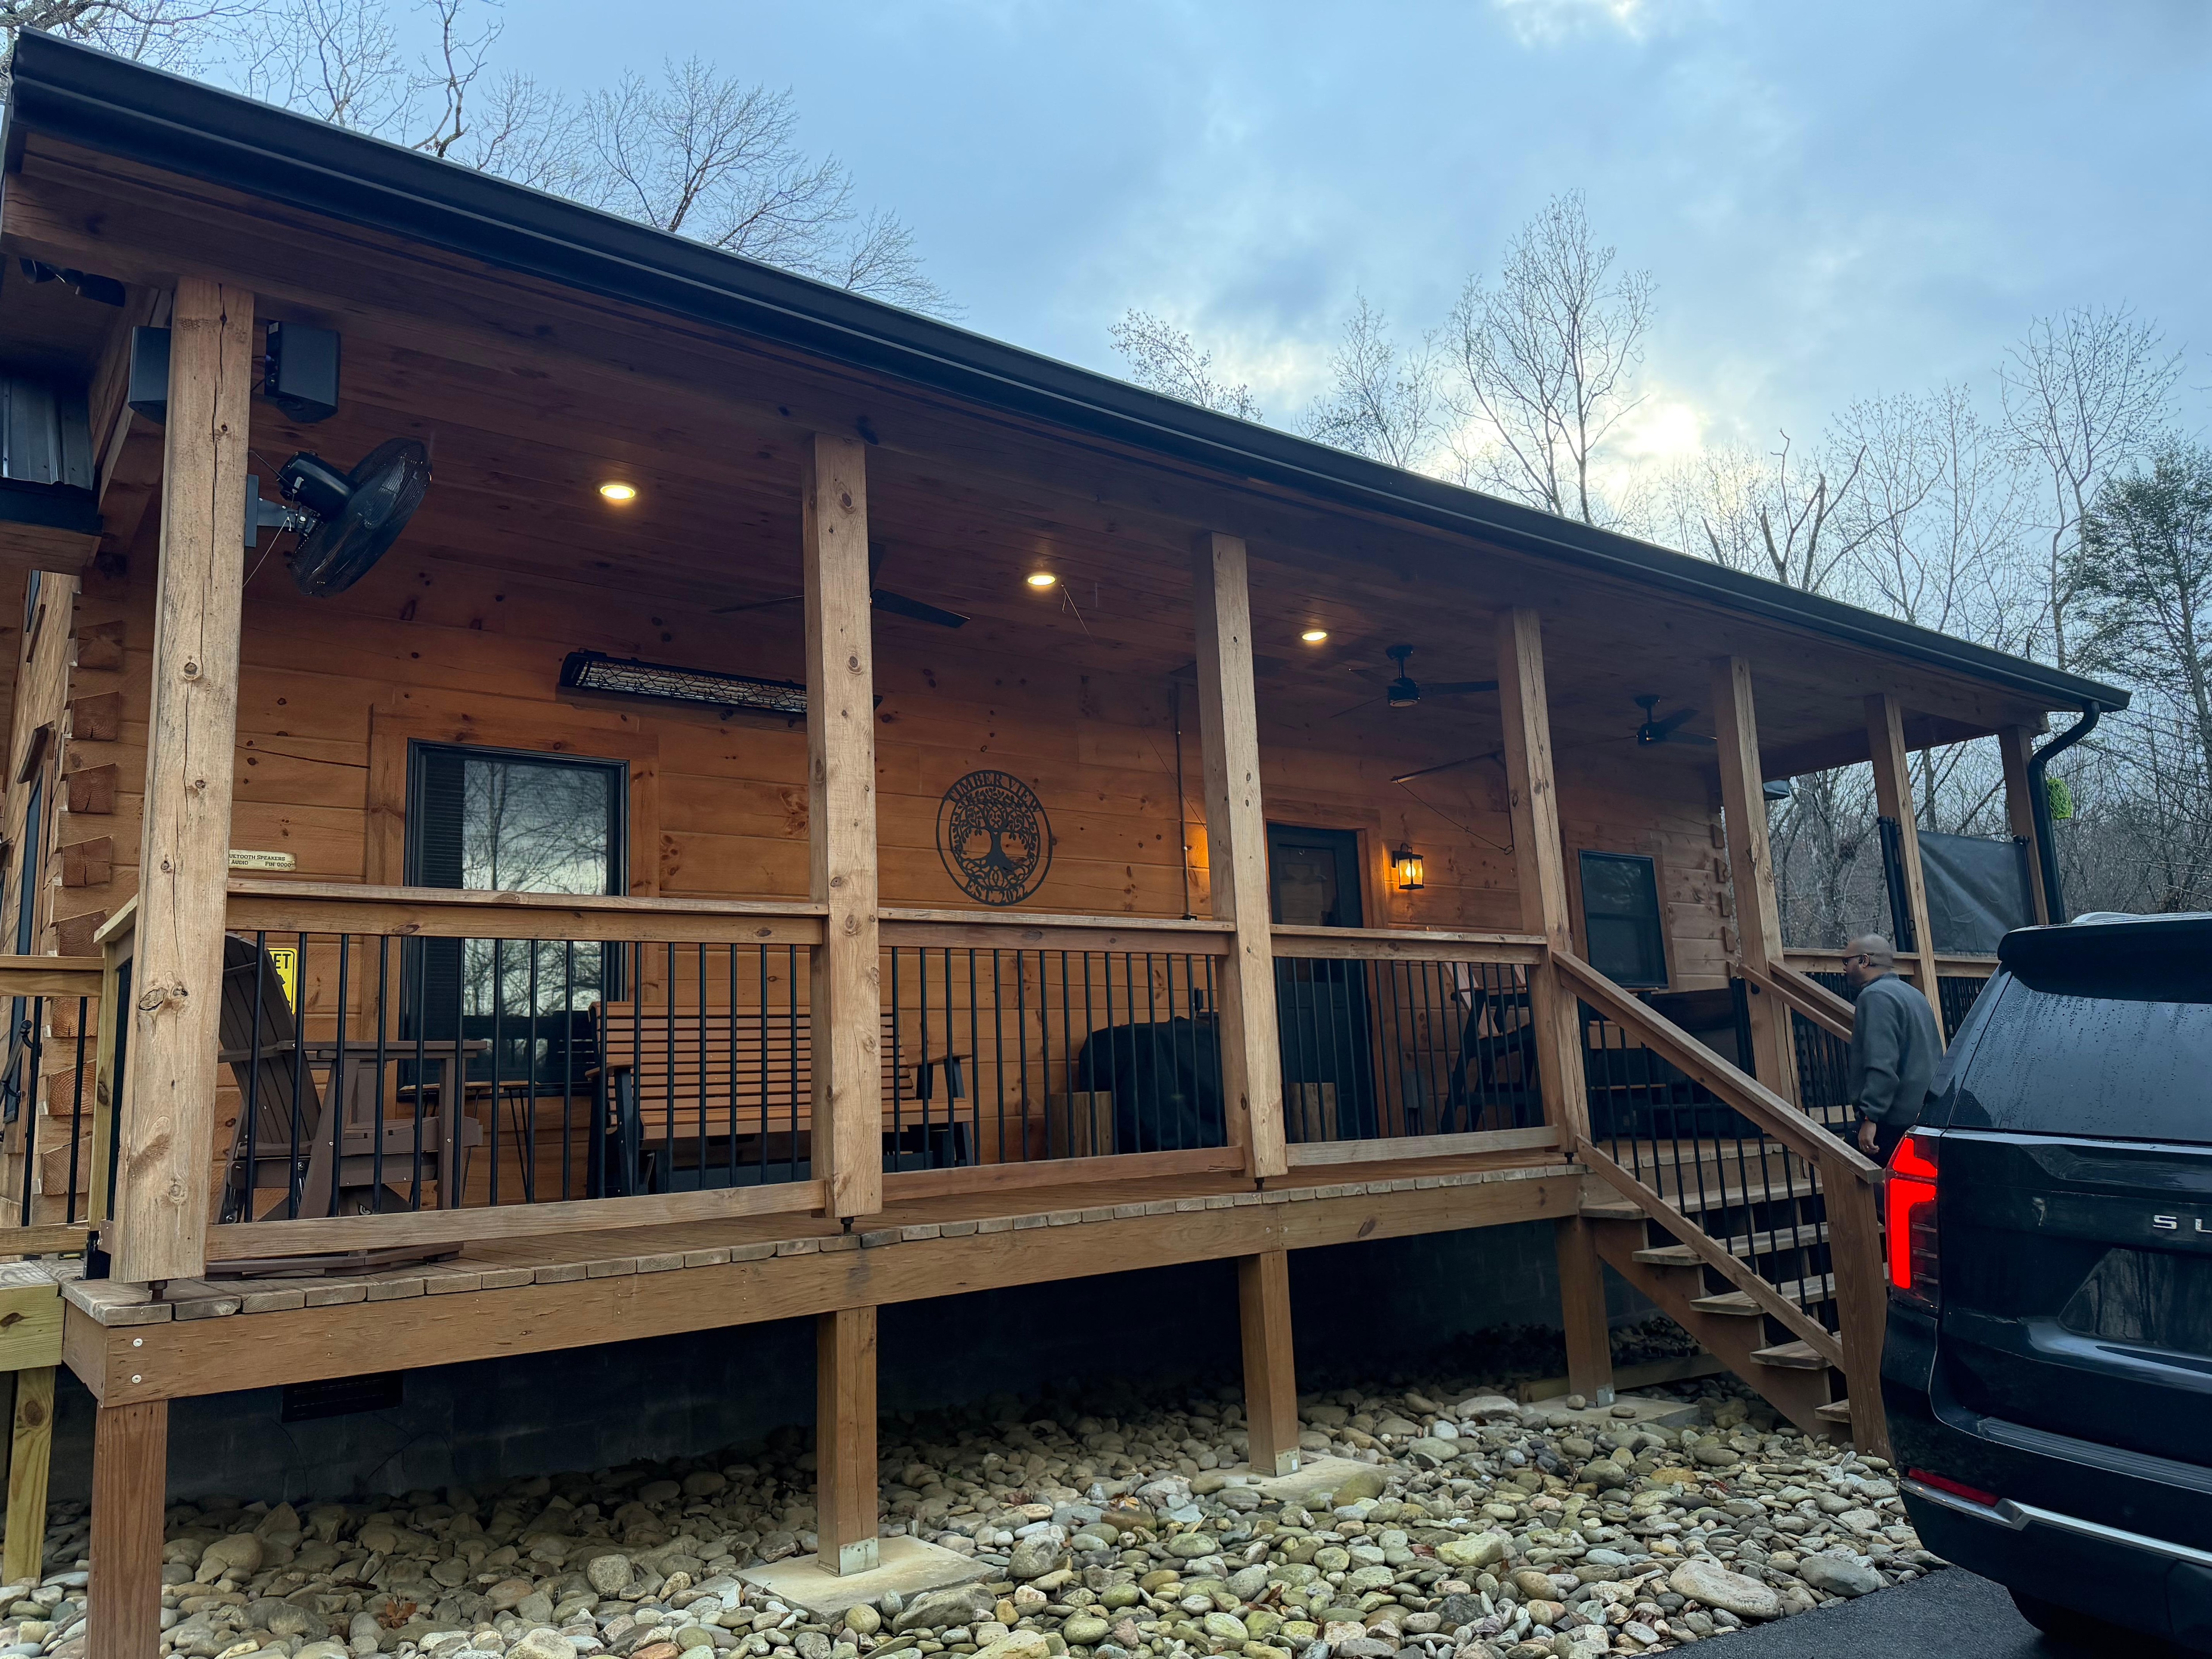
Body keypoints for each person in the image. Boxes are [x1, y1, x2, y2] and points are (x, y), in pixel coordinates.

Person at [1843, 933, 1942, 1164]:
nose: (1844, 969)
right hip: (1924, 1117)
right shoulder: (1914, 995)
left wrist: (1870, 1117)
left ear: (1864, 960)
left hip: (1891, 1122)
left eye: (1847, 961)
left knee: (1847, 1168)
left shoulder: (1874, 997)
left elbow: (1882, 1064)